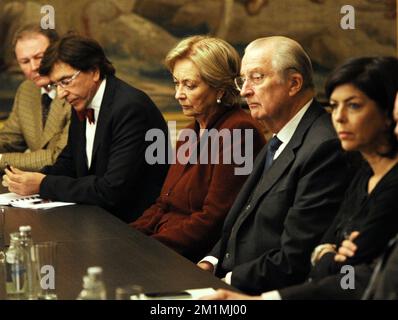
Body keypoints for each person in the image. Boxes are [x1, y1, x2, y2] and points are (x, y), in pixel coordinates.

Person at [202, 56, 398, 300]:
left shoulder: (327, 148)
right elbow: (323, 256)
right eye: (334, 106)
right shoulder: (365, 172)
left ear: (389, 112)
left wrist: (330, 256)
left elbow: (345, 272)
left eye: (354, 105)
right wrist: (330, 254)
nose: (338, 117)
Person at [197, 36, 349, 294]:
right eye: (242, 80)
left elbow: (296, 257)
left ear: (294, 84)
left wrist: (226, 282)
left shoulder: (324, 146)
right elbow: (243, 220)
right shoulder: (279, 137)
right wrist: (210, 262)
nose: (244, 90)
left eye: (256, 78)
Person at [3, 34, 169, 222]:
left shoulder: (130, 108)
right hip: (97, 218)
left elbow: (111, 190)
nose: (61, 94)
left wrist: (43, 184)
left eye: (65, 81)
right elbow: (69, 162)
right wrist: (30, 178)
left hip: (135, 226)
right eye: (56, 85)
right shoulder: (82, 99)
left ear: (94, 71)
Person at [130, 36, 266, 262]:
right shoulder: (189, 132)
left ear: (220, 89)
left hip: (194, 258)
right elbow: (163, 204)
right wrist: (126, 236)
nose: (178, 94)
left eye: (190, 85)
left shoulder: (240, 131)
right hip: (162, 246)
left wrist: (147, 248)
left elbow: (214, 219)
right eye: (176, 83)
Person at [0, 24, 71, 171]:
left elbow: (57, 157)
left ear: (57, 53)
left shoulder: (74, 90)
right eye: (25, 61)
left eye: (39, 57)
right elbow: (9, 140)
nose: (33, 67)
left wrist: (1, 160)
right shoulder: (27, 89)